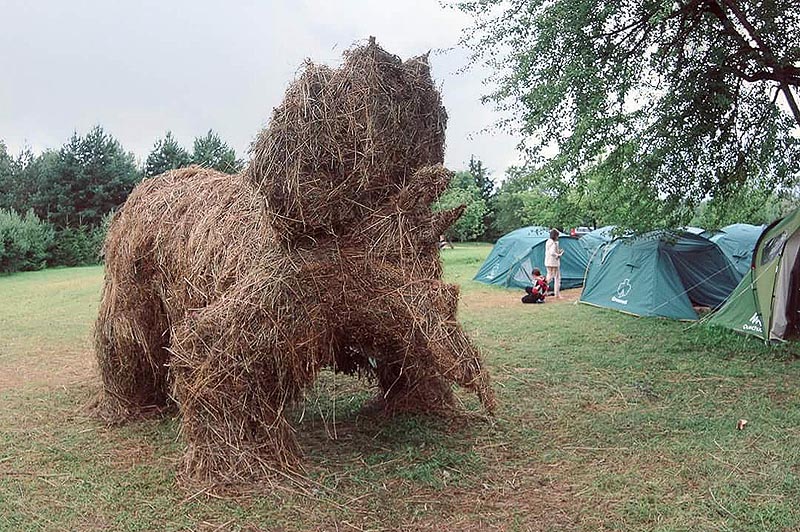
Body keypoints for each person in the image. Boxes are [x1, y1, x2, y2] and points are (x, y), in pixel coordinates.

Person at [545, 229, 564, 299]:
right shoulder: (553, 243)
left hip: (547, 262)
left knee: (549, 276)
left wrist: (558, 251)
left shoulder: (548, 242)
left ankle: (541, 288)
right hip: (554, 263)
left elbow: (550, 251)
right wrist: (558, 255)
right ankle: (557, 294)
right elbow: (552, 252)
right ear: (555, 236)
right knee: (557, 278)